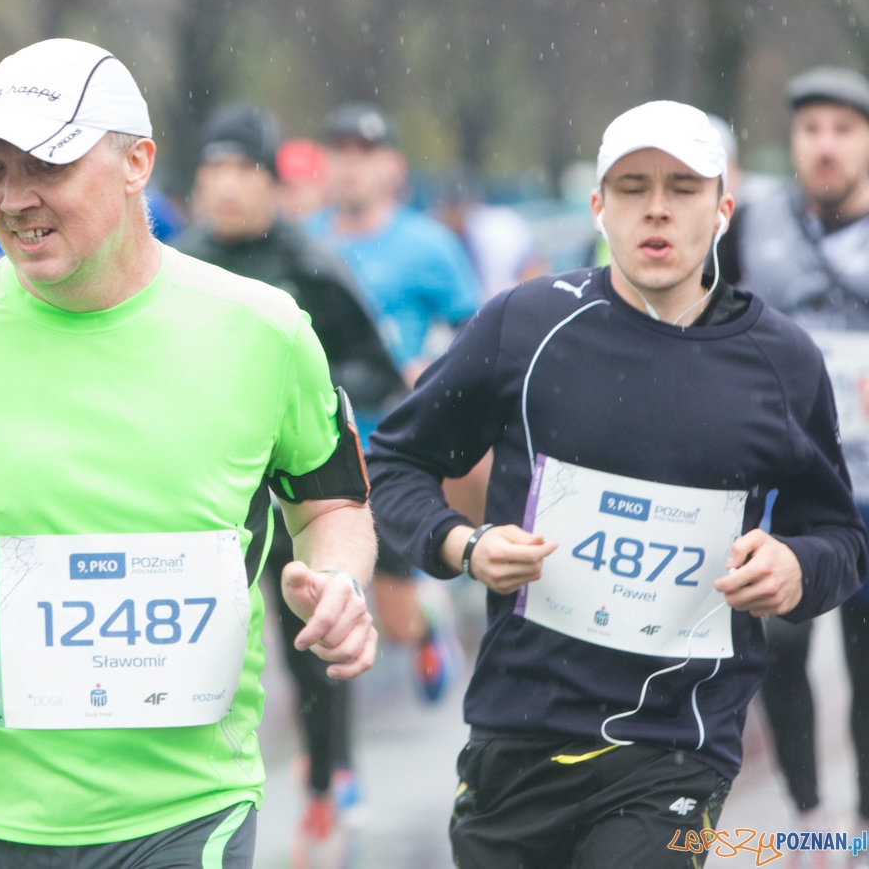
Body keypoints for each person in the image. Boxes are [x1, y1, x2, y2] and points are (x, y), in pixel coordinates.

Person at [0, 38, 378, 867]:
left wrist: (337, 581)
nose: (15, 198)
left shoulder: (264, 330)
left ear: (137, 163)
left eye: (47, 166)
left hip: (185, 805)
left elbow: (332, 502)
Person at [367, 99, 868, 868]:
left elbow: (842, 541)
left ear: (723, 209)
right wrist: (462, 545)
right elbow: (394, 462)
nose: (657, 208)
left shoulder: (782, 360)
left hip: (678, 745)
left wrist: (796, 567)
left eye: (683, 187)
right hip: (520, 730)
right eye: (633, 187)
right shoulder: (526, 325)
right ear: (599, 207)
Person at [174, 101, 404, 865]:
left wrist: (295, 397)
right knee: (202, 643)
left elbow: (376, 366)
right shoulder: (178, 261)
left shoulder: (310, 264)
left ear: (273, 183)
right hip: (209, 495)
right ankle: (186, 801)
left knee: (309, 640)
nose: (226, 187)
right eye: (213, 170)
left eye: (243, 170)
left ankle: (328, 778)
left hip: (297, 490)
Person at [307, 101, 483, 702]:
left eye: (365, 154)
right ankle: (321, 739)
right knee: (313, 593)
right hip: (316, 445)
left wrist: (431, 372)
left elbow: (475, 336)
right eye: (340, 153)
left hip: (393, 446)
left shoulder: (427, 245)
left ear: (393, 167)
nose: (350, 167)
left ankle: (427, 625)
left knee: (397, 616)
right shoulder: (306, 242)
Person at [733, 66, 869, 838]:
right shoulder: (754, 224)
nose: (825, 146)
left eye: (844, 130)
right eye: (811, 129)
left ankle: (865, 824)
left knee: (866, 667)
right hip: (782, 486)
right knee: (778, 652)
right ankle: (809, 818)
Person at [433, 173, 544, 297]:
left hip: (524, 268)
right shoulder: (462, 230)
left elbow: (493, 293)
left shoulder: (488, 234)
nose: (443, 219)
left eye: (446, 212)